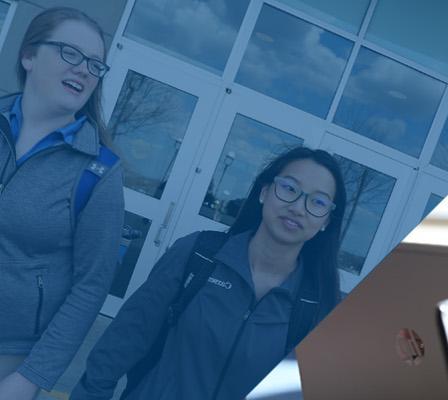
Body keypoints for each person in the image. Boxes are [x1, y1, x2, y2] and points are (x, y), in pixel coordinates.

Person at [75, 147, 345, 400]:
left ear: (326, 222)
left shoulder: (317, 306)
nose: (298, 207)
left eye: (318, 202)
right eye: (289, 188)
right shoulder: (199, 254)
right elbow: (128, 335)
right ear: (264, 192)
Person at [0, 8, 122, 399]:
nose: (84, 69)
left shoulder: (98, 173)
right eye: (70, 53)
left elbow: (90, 287)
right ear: (29, 56)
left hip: (10, 353)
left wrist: (32, 376)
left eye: (95, 64)